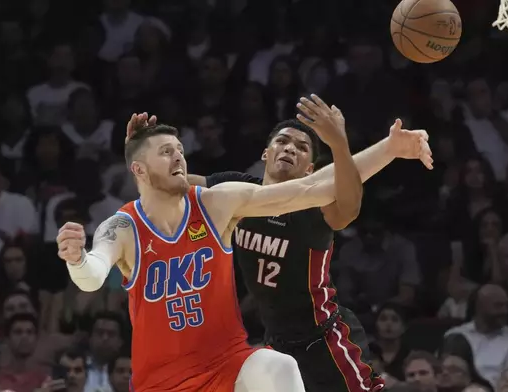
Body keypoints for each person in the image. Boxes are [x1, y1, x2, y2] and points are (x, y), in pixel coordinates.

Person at [57, 95, 417, 392]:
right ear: (138, 169)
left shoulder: (219, 203)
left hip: (253, 354)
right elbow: (92, 275)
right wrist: (76, 259)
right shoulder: (122, 225)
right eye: (166, 151)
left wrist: (388, 147)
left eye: (180, 149)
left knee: (275, 367)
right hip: (164, 379)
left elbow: (322, 189)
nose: (179, 155)